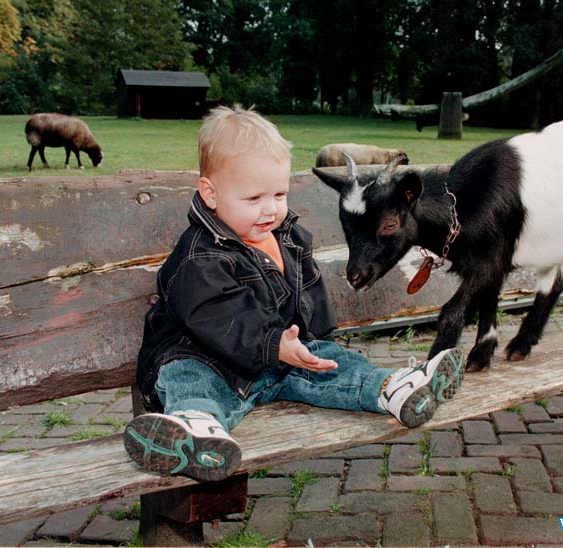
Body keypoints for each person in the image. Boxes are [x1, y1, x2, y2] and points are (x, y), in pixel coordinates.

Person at [124, 105, 464, 482]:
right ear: (211, 194)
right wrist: (274, 344)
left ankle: (393, 389)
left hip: (278, 361)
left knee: (332, 362)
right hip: (211, 360)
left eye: (279, 194)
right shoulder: (199, 256)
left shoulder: (290, 238)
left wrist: (317, 343)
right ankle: (194, 430)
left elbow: (310, 296)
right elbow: (216, 315)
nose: (270, 209)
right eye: (254, 199)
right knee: (189, 377)